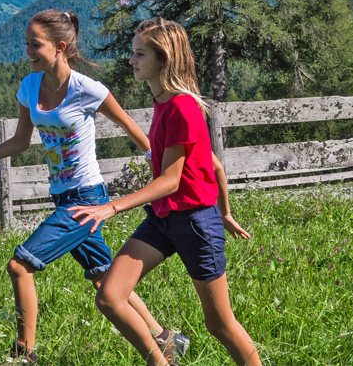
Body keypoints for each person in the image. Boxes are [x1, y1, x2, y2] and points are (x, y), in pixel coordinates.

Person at [0, 9, 187, 365]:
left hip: (86, 198)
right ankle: (166, 338)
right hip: (62, 196)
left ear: (60, 47)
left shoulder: (86, 89)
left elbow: (136, 132)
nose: (28, 51)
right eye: (26, 44)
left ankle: (23, 355)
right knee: (102, 276)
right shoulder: (29, 87)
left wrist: (170, 175)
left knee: (20, 265)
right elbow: (19, 140)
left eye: (35, 45)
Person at [70, 18, 257, 366]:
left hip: (195, 223)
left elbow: (171, 180)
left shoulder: (183, 108)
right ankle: (162, 360)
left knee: (219, 324)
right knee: (110, 296)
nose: (131, 61)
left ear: (164, 59)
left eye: (140, 54)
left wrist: (111, 208)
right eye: (132, 52)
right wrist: (227, 212)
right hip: (163, 219)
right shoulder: (164, 102)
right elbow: (214, 164)